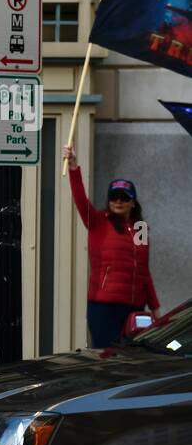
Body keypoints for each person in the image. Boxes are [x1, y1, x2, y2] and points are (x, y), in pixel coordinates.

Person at [63, 145, 159, 348]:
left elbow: (143, 271)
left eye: (124, 197)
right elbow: (81, 200)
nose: (118, 201)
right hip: (105, 305)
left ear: (133, 202)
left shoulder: (140, 228)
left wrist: (155, 306)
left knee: (133, 358)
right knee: (106, 357)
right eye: (114, 197)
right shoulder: (98, 221)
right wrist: (73, 168)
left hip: (134, 306)